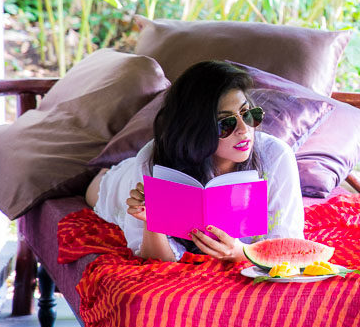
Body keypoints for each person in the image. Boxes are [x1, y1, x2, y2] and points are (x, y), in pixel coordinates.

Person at [84, 60, 304, 262]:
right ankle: (104, 171)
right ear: (196, 130)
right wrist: (152, 223)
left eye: (247, 114)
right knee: (99, 188)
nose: (244, 129)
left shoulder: (277, 157)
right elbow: (156, 260)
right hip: (125, 180)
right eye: (225, 124)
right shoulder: (152, 160)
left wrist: (240, 254)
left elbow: (287, 248)